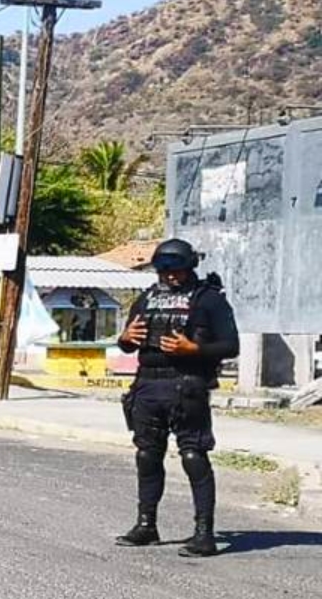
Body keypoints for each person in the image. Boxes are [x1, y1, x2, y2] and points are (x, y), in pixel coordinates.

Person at [115, 238, 238, 558]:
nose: (171, 275)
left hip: (187, 385)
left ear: (190, 267)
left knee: (193, 456)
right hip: (147, 385)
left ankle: (204, 533)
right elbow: (128, 342)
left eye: (177, 269)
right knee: (147, 455)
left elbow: (231, 345)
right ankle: (146, 525)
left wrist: (194, 349)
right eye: (164, 269)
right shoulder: (147, 298)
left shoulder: (208, 299)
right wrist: (125, 338)